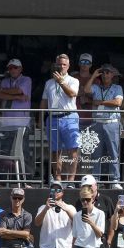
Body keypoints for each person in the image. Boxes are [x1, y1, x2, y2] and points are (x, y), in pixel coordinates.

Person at [42, 54, 81, 182]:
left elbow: (72, 94)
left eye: (64, 64)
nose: (61, 66)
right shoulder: (48, 83)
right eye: (59, 64)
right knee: (55, 151)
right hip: (52, 118)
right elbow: (44, 101)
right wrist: (39, 119)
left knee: (72, 150)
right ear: (55, 65)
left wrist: (61, 82)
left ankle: (70, 180)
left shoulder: (74, 80)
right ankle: (57, 179)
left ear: (68, 66)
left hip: (69, 117)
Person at [84, 64, 124, 182]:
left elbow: (118, 102)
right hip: (97, 123)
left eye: (108, 72)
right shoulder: (96, 87)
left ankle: (115, 180)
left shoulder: (117, 88)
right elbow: (86, 90)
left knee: (113, 152)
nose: (105, 74)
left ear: (113, 75)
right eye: (103, 72)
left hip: (111, 123)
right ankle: (95, 180)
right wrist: (93, 76)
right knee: (96, 154)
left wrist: (100, 102)